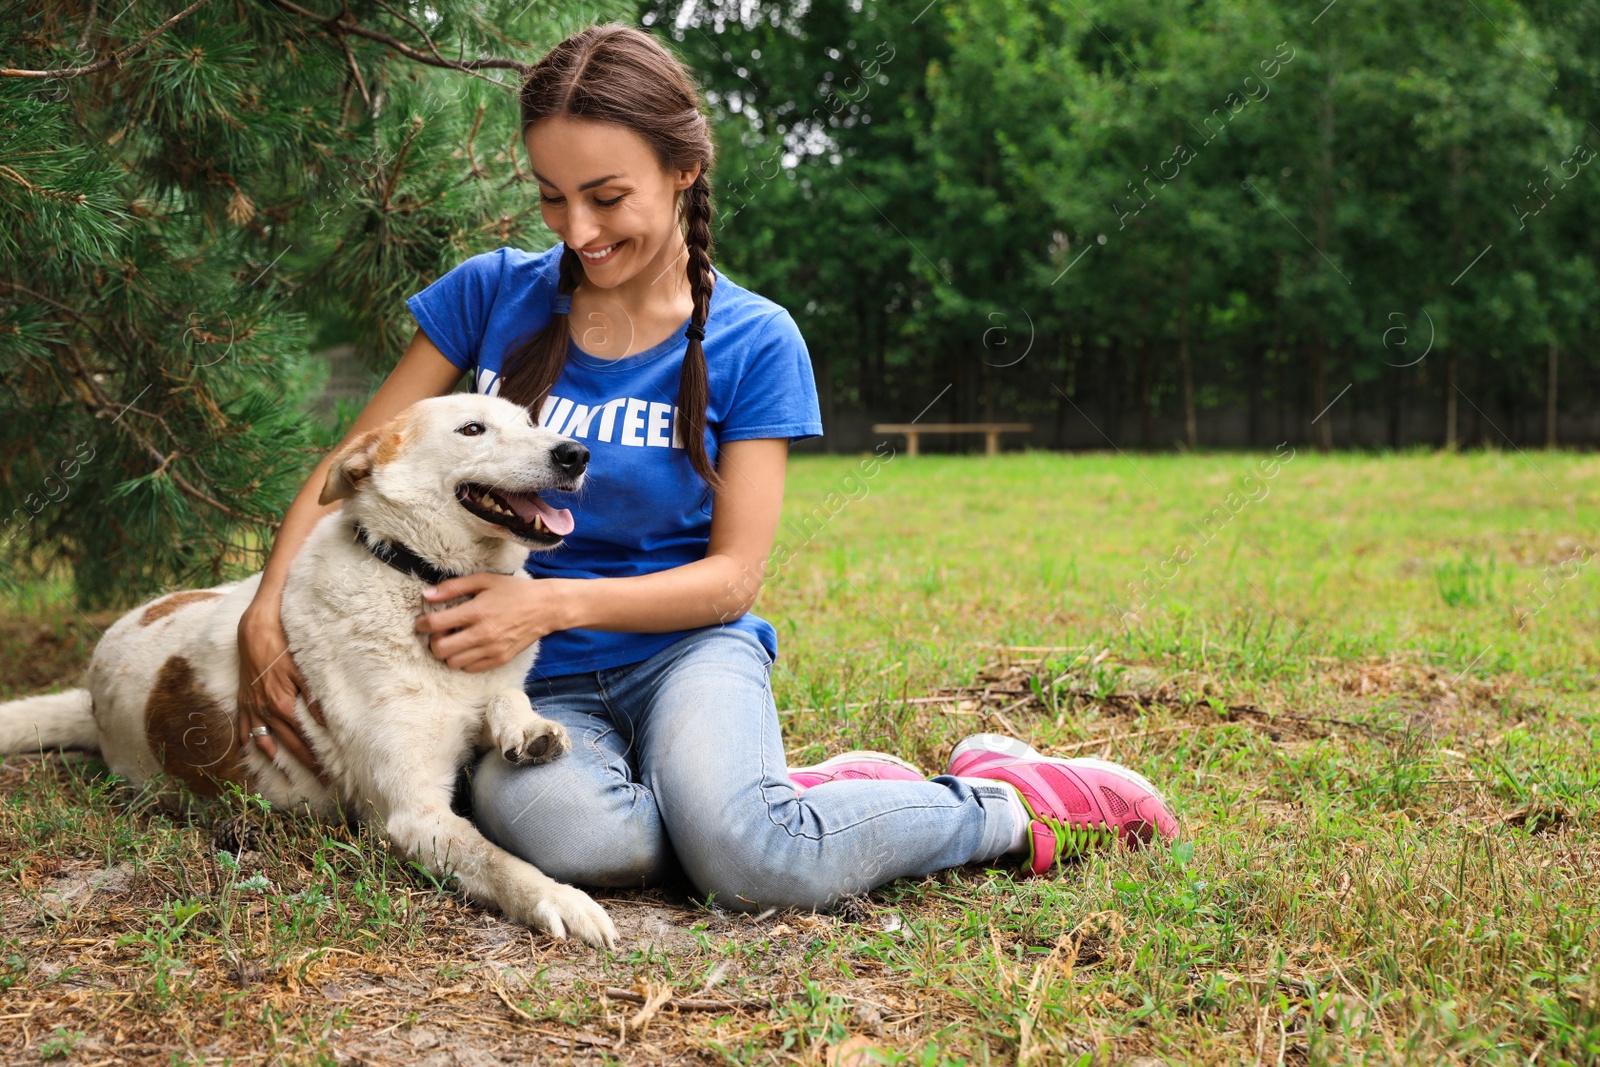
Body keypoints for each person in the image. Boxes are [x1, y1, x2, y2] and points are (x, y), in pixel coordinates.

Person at [235, 23, 1177, 915]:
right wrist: (265, 607)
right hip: (526, 683)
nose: (576, 229)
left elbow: (734, 579)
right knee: (593, 848)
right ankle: (780, 794)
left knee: (752, 859)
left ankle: (1007, 802)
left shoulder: (756, 338)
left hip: (687, 649)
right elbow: (352, 460)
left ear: (685, 167)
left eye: (606, 197)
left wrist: (552, 603)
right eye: (551, 196)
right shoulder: (490, 294)